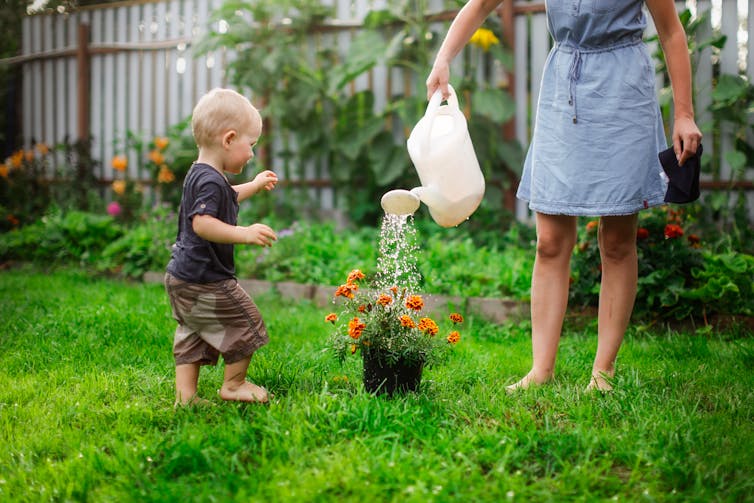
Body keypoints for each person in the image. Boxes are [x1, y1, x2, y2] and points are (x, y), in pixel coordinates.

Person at [426, 0, 702, 391]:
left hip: (623, 92)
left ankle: (603, 371)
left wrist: (685, 113)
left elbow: (672, 31)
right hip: (563, 91)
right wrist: (443, 59)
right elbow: (483, 3)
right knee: (550, 242)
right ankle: (541, 370)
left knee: (618, 242)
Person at [164, 88, 279, 407]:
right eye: (251, 145)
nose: (252, 154)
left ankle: (186, 398)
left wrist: (253, 186)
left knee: (192, 334)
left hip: (182, 277)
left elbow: (225, 197)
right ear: (229, 139)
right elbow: (202, 223)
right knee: (247, 322)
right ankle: (234, 384)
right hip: (205, 280)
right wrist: (243, 233)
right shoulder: (210, 181)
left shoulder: (202, 175)